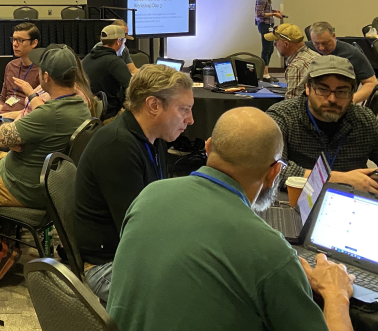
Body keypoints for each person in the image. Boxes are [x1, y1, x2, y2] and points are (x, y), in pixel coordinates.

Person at [107, 107, 355, 331]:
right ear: (274, 173)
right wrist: (336, 295)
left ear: (208, 148)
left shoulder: (149, 195)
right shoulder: (270, 251)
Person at [0, 45, 92, 287]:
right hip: (47, 182)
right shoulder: (81, 104)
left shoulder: (49, 114)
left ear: (46, 77)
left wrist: (13, 137)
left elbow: (1, 138)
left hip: (23, 184)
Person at [74, 64, 194, 302]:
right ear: (154, 105)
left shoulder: (153, 138)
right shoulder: (118, 147)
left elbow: (155, 208)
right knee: (195, 294)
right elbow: (137, 233)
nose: (190, 120)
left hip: (130, 250)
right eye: (184, 110)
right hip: (107, 265)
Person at [268, 55, 378, 192]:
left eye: (341, 91)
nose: (332, 99)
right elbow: (271, 170)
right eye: (323, 89)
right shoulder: (282, 116)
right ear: (307, 88)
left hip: (349, 204)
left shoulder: (365, 120)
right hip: (294, 203)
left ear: (352, 93)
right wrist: (343, 180)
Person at [307, 21, 377, 104]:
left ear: (334, 36)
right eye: (316, 43)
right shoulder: (307, 49)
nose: (321, 48)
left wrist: (351, 100)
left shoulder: (352, 53)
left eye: (325, 43)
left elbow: (371, 83)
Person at [81, 25, 132, 119]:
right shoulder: (114, 62)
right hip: (109, 115)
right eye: (124, 41)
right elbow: (132, 87)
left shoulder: (88, 57)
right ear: (118, 41)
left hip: (90, 113)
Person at [0, 23, 42, 115]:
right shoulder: (11, 66)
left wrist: (7, 115)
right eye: (14, 40)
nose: (15, 44)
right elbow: (2, 99)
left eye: (20, 40)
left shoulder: (42, 71)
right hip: (3, 117)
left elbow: (40, 110)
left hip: (23, 120)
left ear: (34, 43)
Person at [263, 23, 318, 101]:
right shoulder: (315, 55)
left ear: (286, 44)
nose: (274, 44)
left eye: (276, 41)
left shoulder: (296, 67)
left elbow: (292, 105)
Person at [255, 0, 283, 78]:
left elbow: (265, 10)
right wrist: (274, 14)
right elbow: (260, 14)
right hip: (264, 25)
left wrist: (274, 11)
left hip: (269, 25)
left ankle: (266, 71)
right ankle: (265, 73)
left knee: (270, 49)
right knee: (266, 49)